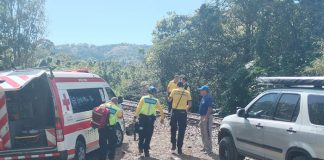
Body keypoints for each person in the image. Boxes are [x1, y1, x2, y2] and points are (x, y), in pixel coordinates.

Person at [135, 86, 165, 157]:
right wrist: (162, 118)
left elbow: (138, 107)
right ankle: (146, 151)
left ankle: (140, 147)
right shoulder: (156, 100)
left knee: (141, 133)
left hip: (142, 119)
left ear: (148, 91)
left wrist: (135, 116)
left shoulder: (143, 98)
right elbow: (161, 110)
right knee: (148, 135)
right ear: (154, 93)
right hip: (150, 120)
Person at [168, 82, 192, 155]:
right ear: (183, 86)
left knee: (173, 129)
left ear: (177, 86)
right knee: (182, 130)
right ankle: (179, 148)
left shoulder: (174, 91)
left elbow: (169, 100)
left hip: (175, 112)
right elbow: (190, 104)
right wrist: (185, 109)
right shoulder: (187, 92)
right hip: (183, 113)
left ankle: (173, 145)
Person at [198, 85, 213, 154]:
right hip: (202, 116)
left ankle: (209, 149)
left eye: (201, 90)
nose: (200, 91)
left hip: (206, 117)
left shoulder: (208, 98)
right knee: (203, 132)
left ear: (205, 91)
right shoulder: (203, 97)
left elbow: (210, 108)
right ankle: (205, 147)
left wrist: (206, 118)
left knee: (207, 132)